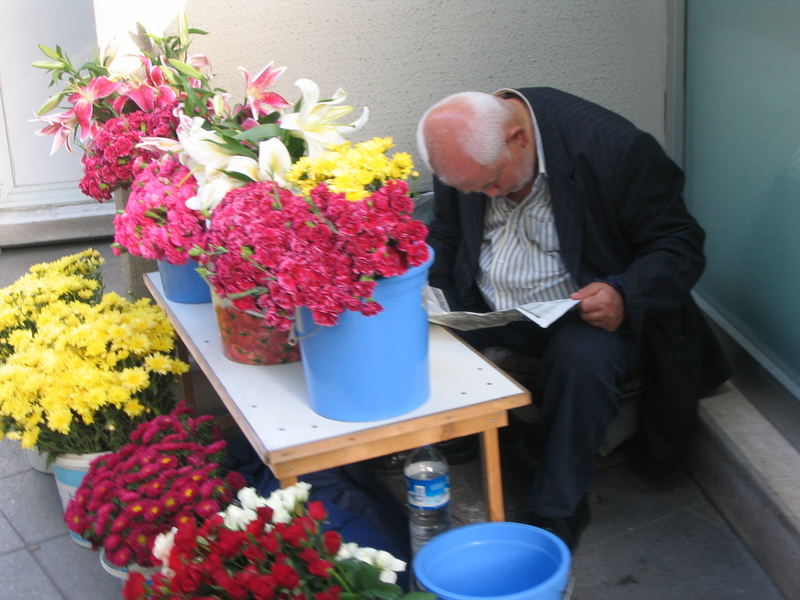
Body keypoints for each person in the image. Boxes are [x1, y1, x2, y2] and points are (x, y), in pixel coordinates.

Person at [416, 87, 730, 550]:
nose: (487, 195)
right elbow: (446, 228)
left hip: (586, 312)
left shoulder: (615, 150)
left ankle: (556, 508)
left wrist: (625, 293)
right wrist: (420, 284)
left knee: (583, 359)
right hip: (493, 305)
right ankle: (460, 434)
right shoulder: (466, 151)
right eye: (473, 190)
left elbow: (680, 243)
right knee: (419, 315)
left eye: (493, 184)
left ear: (518, 138)